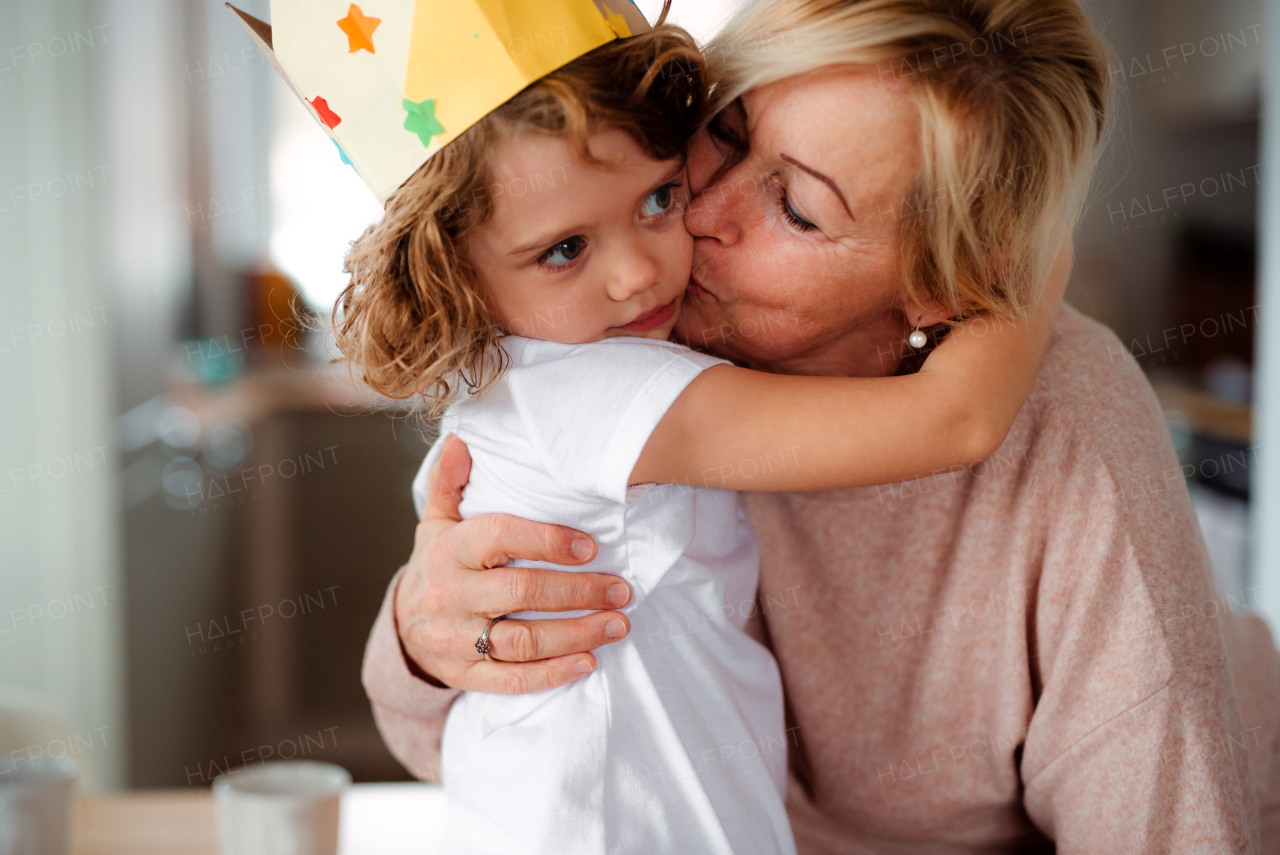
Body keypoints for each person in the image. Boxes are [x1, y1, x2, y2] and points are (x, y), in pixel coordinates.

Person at [363, 0, 1280, 851]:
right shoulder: (613, 345)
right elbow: (428, 740)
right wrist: (422, 633)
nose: (693, 220)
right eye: (724, 130)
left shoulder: (1068, 432)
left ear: (949, 283)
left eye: (797, 208)